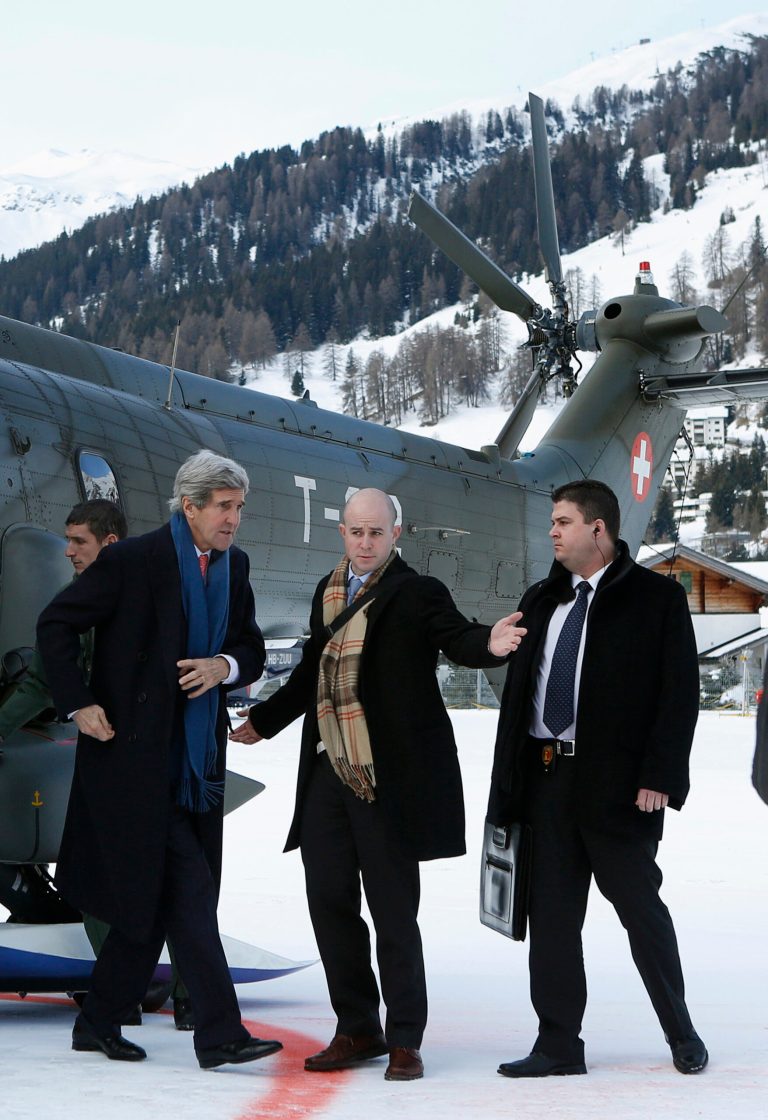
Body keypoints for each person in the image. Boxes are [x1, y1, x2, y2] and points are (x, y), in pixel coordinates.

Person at [230, 487, 526, 1082]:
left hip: (386, 781)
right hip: (326, 773)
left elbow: (457, 635)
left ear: (397, 533)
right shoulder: (328, 590)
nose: (364, 542)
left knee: (394, 913)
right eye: (355, 531)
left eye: (376, 532)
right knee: (330, 904)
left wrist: (489, 645)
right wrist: (261, 723)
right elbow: (314, 671)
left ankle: (405, 1039)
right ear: (343, 532)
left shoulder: (417, 592)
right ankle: (357, 1027)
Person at [37, 450, 281, 1069]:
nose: (233, 520)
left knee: (150, 901)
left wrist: (222, 666)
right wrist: (79, 703)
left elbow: (249, 646)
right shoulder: (131, 560)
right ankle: (220, 1033)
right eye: (224, 507)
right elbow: (55, 625)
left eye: (239, 508)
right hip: (130, 762)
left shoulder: (236, 566)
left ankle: (97, 1020)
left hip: (197, 766)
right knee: (192, 893)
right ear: (190, 506)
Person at [487, 479, 707, 1079]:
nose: (552, 532)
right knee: (552, 920)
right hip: (546, 779)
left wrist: (660, 776)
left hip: (620, 789)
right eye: (552, 522)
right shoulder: (542, 598)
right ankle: (558, 1044)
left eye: (563, 521)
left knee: (641, 911)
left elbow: (678, 695)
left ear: (598, 528)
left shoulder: (655, 599)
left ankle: (681, 1031)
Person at [0, 499, 127, 743]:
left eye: (79, 541)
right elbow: (42, 681)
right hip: (99, 735)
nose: (68, 551)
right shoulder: (67, 602)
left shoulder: (149, 595)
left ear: (110, 543)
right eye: (68, 540)